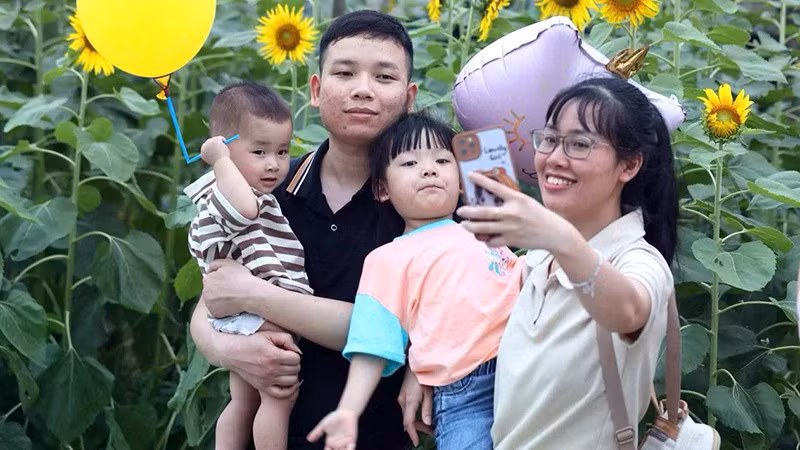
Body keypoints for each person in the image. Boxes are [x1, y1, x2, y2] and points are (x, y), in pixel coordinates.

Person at [190, 10, 428, 449]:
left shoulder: (424, 203)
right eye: (344, 72)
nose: (362, 89)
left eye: (384, 77)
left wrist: (256, 296)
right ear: (315, 90)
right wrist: (224, 348)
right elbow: (214, 292)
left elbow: (403, 328)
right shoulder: (266, 188)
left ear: (409, 97)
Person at [456, 77, 678, 448]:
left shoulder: (641, 261)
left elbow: (628, 310)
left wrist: (555, 234)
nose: (555, 158)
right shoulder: (537, 259)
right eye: (550, 139)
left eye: (580, 144)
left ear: (629, 165)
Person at [305, 113, 520, 450]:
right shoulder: (389, 259)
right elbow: (372, 341)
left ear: (462, 181)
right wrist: (348, 411)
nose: (429, 169)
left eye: (442, 160)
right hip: (467, 392)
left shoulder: (489, 232)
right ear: (382, 189)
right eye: (409, 163)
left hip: (527, 367)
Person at [185, 81, 312, 450]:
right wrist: (221, 161)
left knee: (245, 399)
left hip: (245, 312)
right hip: (258, 316)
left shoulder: (243, 189)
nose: (274, 164)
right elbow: (245, 210)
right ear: (225, 148)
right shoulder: (228, 192)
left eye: (283, 151)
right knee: (279, 395)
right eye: (259, 151)